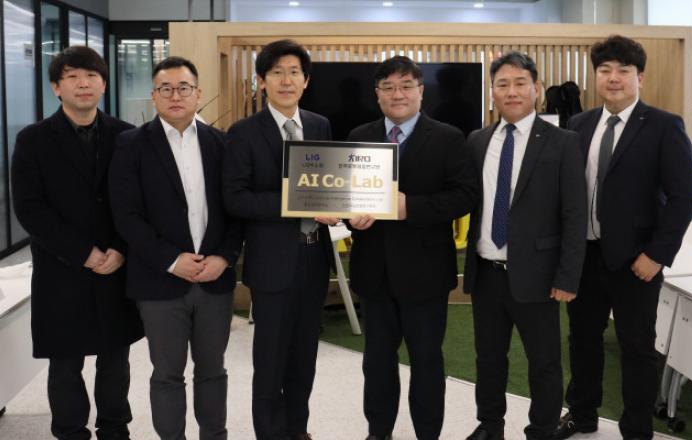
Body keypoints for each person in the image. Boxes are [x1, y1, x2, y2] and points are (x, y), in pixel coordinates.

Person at [555, 35, 692, 440]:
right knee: (583, 340)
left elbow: (684, 196)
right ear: (596, 76)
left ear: (640, 77)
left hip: (637, 261)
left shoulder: (663, 126)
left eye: (623, 70)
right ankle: (581, 414)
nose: (613, 78)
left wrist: (657, 255)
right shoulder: (579, 125)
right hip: (585, 256)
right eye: (605, 70)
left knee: (637, 348)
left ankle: (636, 429)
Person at [335, 55, 476, 440]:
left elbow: (464, 196)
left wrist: (408, 207)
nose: (398, 94)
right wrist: (350, 215)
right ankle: (378, 431)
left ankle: (428, 434)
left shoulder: (448, 137)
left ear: (421, 91)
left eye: (406, 86)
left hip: (426, 275)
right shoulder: (359, 136)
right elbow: (345, 194)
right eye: (388, 87)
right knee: (377, 363)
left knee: (427, 362)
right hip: (374, 272)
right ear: (377, 94)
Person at [11, 45, 143, 440]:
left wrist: (120, 248)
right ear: (56, 87)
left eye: (91, 76)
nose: (83, 83)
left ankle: (115, 428)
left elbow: (138, 200)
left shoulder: (127, 135)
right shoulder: (33, 140)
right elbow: (30, 208)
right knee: (65, 363)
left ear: (104, 84)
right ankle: (70, 431)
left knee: (115, 359)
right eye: (72, 77)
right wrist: (83, 253)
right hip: (61, 268)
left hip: (116, 265)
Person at [109, 56, 241, 440]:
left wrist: (224, 257)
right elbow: (127, 216)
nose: (175, 95)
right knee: (167, 373)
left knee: (212, 370)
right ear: (154, 96)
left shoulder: (222, 143)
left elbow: (236, 209)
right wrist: (170, 260)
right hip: (159, 281)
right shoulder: (131, 145)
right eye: (165, 89)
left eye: (184, 87)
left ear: (198, 93)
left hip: (215, 279)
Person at [462, 51, 587, 440]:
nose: (511, 91)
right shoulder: (477, 140)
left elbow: (575, 215)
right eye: (502, 84)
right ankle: (490, 426)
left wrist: (567, 277)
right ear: (492, 92)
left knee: (544, 362)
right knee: (488, 358)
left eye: (520, 83)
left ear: (536, 88)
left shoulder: (563, 142)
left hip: (540, 275)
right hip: (486, 273)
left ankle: (542, 430)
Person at [222, 39, 334, 440]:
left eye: (294, 73)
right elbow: (235, 198)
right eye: (277, 73)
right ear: (261, 81)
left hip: (314, 259)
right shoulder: (243, 133)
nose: (286, 81)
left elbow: (331, 184)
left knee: (304, 358)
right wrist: (295, 200)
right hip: (272, 263)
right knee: (270, 360)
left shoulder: (320, 126)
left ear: (306, 81)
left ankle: (298, 431)